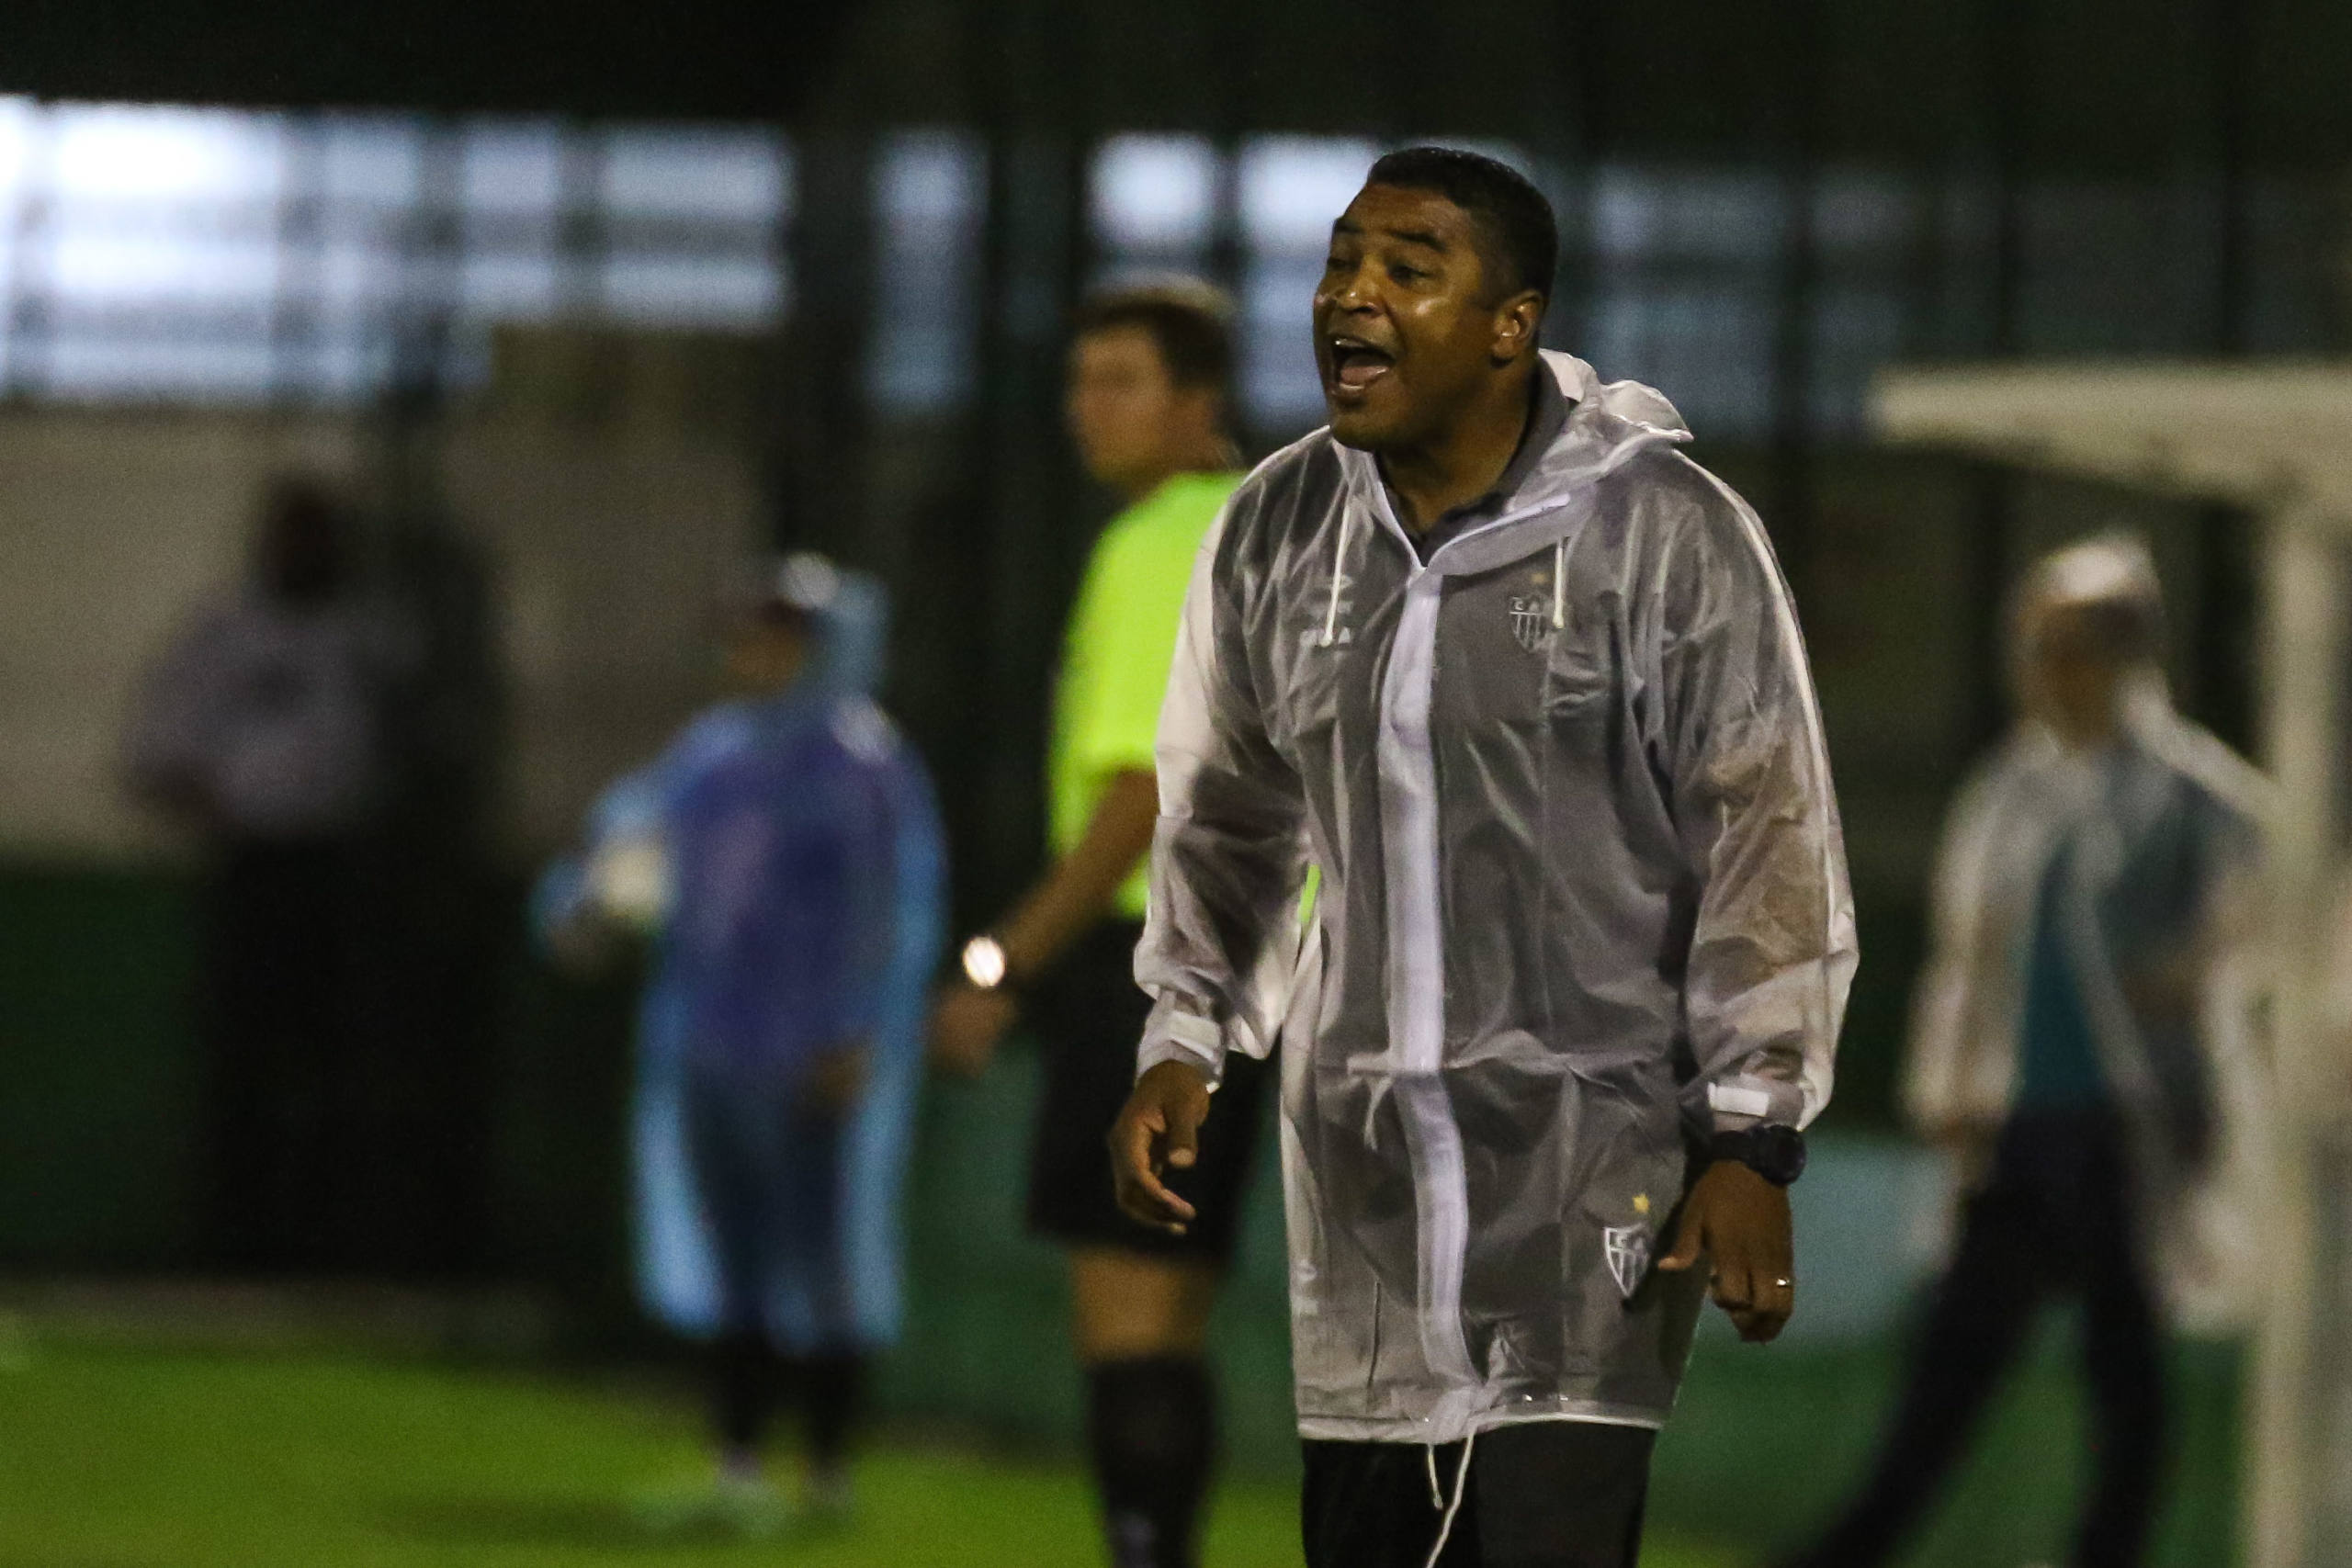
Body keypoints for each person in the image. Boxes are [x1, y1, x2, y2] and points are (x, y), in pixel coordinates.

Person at [1106, 147, 1856, 1568]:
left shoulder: (1666, 533)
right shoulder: (1275, 526)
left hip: (1597, 1182)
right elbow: (1232, 810)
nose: (1354, 296)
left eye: (1408, 267)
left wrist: (1754, 1132)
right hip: (1363, 1192)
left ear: (1511, 324)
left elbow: (1768, 835)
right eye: (1341, 260)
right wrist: (1188, 1032)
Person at [1771, 536, 2264, 1568]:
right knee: (1957, 1355)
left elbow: (2279, 896)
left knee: (2121, 1370)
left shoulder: (2181, 793)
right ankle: (1853, 1545)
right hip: (2021, 1127)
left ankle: (2103, 1551)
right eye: (2037, 649)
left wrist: (2189, 972)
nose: (2045, 674)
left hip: (2123, 1129)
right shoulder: (2012, 793)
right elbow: (1967, 960)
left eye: (2069, 650)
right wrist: (1950, 1085)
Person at [928, 280, 1267, 1568]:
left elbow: (1144, 783)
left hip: (1155, 965)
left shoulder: (1161, 540)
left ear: (1199, 402)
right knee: (1170, 1311)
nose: (1088, 409)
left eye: (1121, 381)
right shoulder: (1259, 527)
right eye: (1080, 381)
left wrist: (1001, 957)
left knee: (1125, 1316)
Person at [537, 554, 944, 1534]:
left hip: (816, 1058)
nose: (753, 652)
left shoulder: (864, 763)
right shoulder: (713, 754)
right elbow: (615, 850)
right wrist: (581, 906)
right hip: (713, 1049)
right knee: (734, 1263)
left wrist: (859, 1032)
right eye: (747, 633)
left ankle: (828, 1473)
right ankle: (739, 1463)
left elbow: (896, 912)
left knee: (830, 1260)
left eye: (777, 634)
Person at [126, 476, 413, 1271]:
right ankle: (232, 1244)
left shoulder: (372, 634)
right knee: (242, 1065)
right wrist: (221, 810)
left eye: (321, 535)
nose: (307, 551)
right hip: (253, 869)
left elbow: (411, 743)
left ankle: (331, 1244)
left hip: (344, 871)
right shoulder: (222, 632)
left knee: (340, 1064)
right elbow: (155, 758)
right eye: (294, 534)